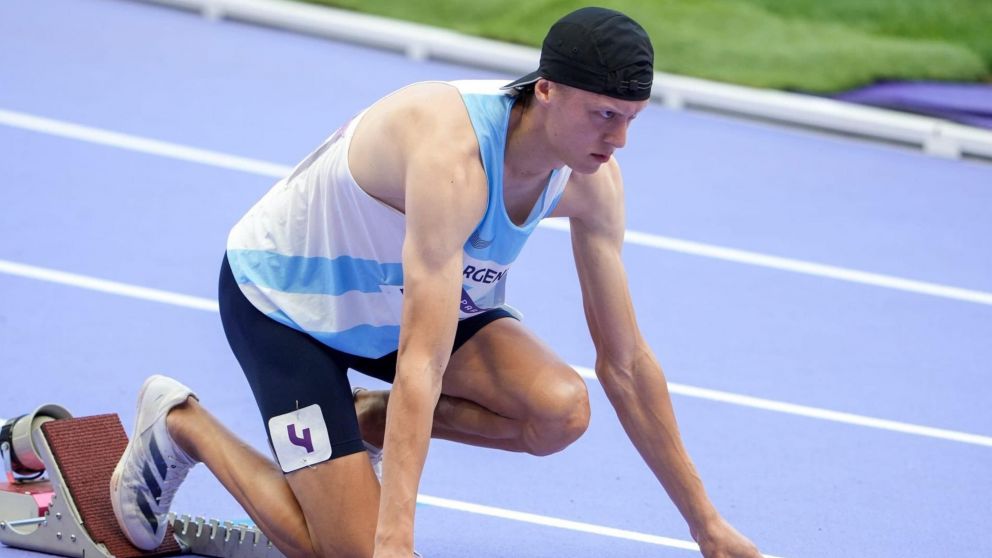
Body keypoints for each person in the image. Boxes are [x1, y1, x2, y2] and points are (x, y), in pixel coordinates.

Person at [109, 7, 762, 558]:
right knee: (347, 551)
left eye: (632, 117)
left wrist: (705, 524)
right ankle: (180, 422)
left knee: (562, 409)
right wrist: (395, 539)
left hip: (400, 313)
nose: (619, 140)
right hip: (288, 307)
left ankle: (360, 421)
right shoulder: (453, 160)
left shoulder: (592, 181)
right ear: (547, 90)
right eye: (603, 116)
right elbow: (423, 362)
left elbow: (625, 363)